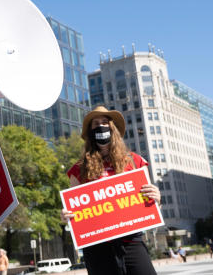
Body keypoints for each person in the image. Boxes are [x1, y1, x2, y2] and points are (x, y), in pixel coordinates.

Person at [60, 107, 161, 275]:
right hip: (96, 246)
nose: (101, 126)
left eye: (105, 122)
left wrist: (157, 198)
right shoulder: (78, 169)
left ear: (113, 128)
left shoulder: (135, 161)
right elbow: (74, 210)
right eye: (96, 123)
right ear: (90, 132)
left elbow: (151, 206)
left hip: (131, 242)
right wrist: (66, 216)